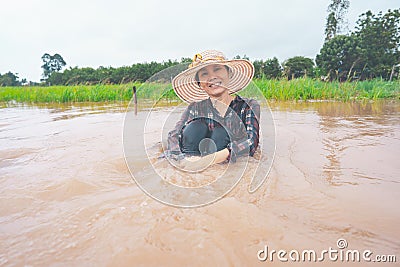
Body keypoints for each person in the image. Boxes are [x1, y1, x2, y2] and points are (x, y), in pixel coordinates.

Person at [166, 50, 260, 170]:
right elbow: (174, 135)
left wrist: (209, 160)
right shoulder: (195, 108)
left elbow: (251, 142)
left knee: (220, 133)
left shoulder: (248, 106)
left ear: (229, 74)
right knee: (195, 127)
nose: (212, 77)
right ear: (200, 84)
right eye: (204, 74)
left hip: (225, 161)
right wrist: (184, 161)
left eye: (217, 69)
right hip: (193, 158)